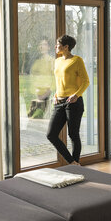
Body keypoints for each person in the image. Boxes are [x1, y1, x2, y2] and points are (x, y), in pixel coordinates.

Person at [46, 34, 89, 165]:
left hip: (73, 103)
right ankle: (72, 162)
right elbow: (58, 81)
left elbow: (86, 81)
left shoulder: (77, 60)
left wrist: (76, 95)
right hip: (59, 102)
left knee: (73, 134)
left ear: (66, 47)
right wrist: (55, 95)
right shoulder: (57, 61)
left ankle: (75, 163)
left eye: (58, 44)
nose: (55, 46)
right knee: (51, 134)